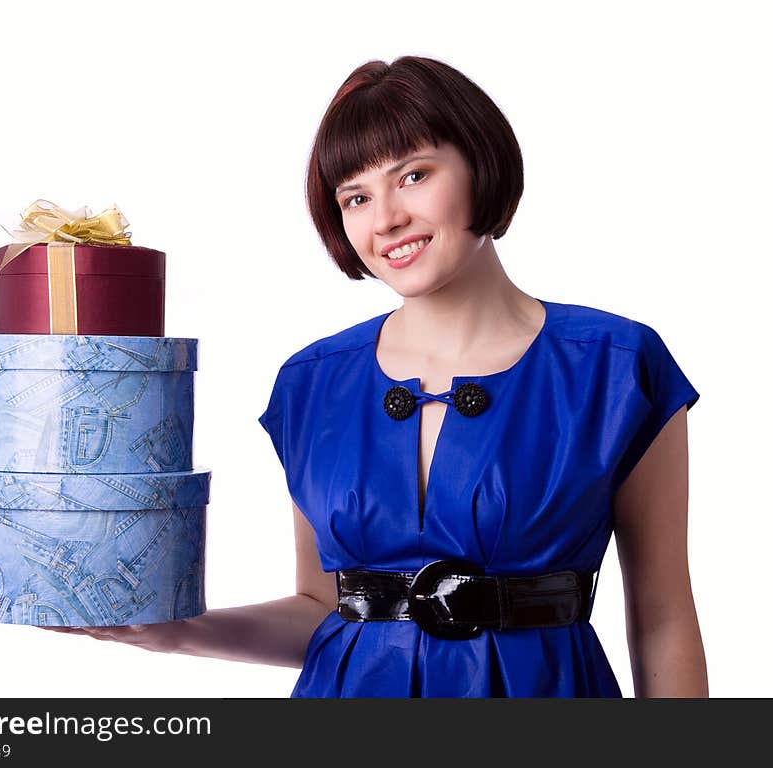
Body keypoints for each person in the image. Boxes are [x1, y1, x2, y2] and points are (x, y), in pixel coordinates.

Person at [42, 55, 708, 698]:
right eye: (355, 196)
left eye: (413, 176)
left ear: (482, 165)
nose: (385, 218)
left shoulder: (616, 366)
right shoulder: (311, 385)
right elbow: (321, 610)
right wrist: (177, 632)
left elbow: (662, 618)